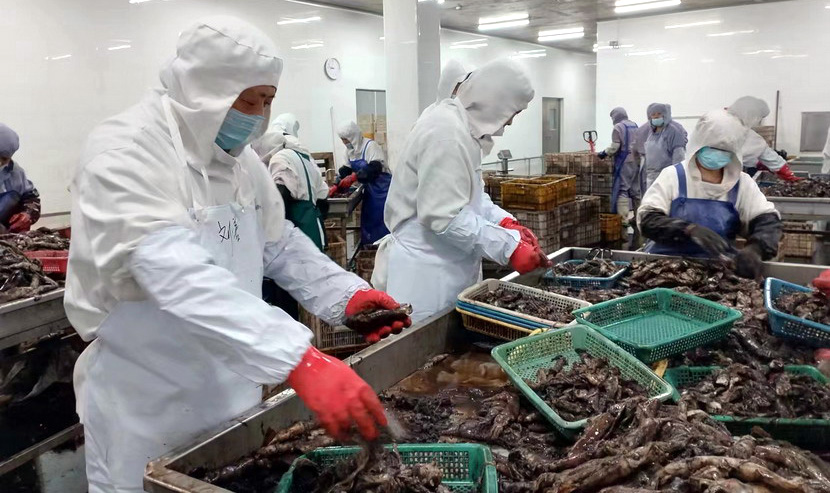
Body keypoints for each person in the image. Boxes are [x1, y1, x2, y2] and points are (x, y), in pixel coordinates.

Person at [65, 17, 410, 492]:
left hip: (236, 396)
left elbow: (276, 241)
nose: (259, 116)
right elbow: (173, 272)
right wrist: (297, 359)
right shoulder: (124, 152)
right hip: (148, 408)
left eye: (268, 101)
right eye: (249, 101)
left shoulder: (239, 161)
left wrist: (346, 294)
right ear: (206, 89)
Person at [378, 58, 550, 323]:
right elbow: (442, 216)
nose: (510, 122)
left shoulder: (463, 131)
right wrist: (508, 247)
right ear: (496, 100)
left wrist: (505, 223)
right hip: (426, 277)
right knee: (427, 345)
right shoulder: (445, 133)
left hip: (451, 266)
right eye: (513, 113)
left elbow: (472, 196)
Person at [638, 110, 781, 279]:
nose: (717, 153)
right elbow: (648, 219)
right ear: (698, 144)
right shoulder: (672, 176)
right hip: (664, 269)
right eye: (712, 148)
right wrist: (687, 229)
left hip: (718, 272)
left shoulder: (742, 184)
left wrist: (756, 248)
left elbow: (767, 220)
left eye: (724, 150)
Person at [255, 113, 329, 250]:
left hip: (297, 225)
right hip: (312, 223)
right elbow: (323, 194)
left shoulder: (280, 158)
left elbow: (280, 195)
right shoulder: (300, 155)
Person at [334, 121, 391, 245]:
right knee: (369, 218)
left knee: (382, 219)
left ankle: (385, 247)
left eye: (346, 139)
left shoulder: (370, 146)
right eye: (342, 140)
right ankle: (370, 247)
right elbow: (346, 169)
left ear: (353, 137)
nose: (344, 142)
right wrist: (337, 183)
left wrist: (354, 176)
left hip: (383, 191)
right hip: (370, 191)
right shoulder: (349, 151)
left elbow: (375, 167)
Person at [726, 96, 799, 181]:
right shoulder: (744, 134)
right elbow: (763, 151)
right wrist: (785, 172)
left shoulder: (740, 130)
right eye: (759, 118)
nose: (758, 121)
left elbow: (745, 153)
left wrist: (757, 163)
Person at [598, 107, 639, 242]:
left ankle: (623, 220)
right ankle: (639, 218)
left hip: (625, 162)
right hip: (637, 161)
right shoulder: (634, 125)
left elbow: (615, 147)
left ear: (615, 116)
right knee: (636, 191)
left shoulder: (618, 127)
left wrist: (604, 153)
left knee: (623, 190)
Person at [0, 124, 41, 233]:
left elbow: (32, 199)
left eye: (4, 159)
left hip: (7, 237)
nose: (0, 163)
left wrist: (27, 214)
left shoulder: (15, 172)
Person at [643, 103, 687, 191]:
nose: (656, 117)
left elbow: (678, 156)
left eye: (659, 114)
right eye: (653, 114)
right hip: (651, 176)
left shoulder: (673, 131)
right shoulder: (651, 133)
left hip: (667, 176)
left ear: (665, 115)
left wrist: (676, 176)